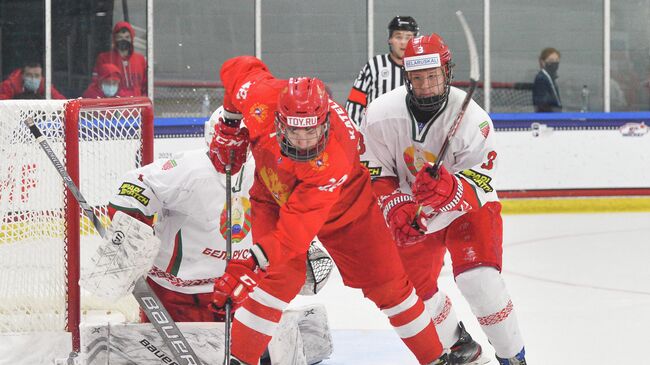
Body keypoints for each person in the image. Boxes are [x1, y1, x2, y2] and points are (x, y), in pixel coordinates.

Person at [209, 55, 449, 365]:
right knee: (280, 278)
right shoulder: (260, 100)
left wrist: (250, 263)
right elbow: (237, 67)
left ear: (325, 123)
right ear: (278, 119)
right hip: (273, 195)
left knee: (389, 283)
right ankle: (239, 359)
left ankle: (435, 359)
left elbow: (294, 234)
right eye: (294, 132)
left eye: (311, 132)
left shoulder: (333, 158)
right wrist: (228, 123)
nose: (304, 141)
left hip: (346, 209)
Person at [104, 106, 333, 364]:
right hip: (175, 296)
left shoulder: (269, 171)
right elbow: (135, 184)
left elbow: (295, 215)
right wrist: (131, 232)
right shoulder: (190, 168)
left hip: (238, 291)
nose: (235, 150)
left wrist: (300, 248)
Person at [360, 34, 527, 365]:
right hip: (414, 211)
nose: (425, 86)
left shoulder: (473, 119)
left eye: (433, 76)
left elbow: (483, 179)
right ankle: (459, 344)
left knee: (478, 281)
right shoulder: (379, 114)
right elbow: (375, 173)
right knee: (405, 289)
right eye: (418, 78)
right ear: (407, 77)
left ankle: (513, 357)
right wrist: (394, 205)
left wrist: (451, 190)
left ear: (447, 72)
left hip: (467, 210)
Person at [345, 15, 419, 125]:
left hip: (411, 138)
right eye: (398, 37)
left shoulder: (421, 68)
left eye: (408, 37)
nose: (403, 42)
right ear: (390, 39)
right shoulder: (374, 65)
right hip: (375, 135)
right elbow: (355, 103)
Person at [92, 21, 147, 97]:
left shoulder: (141, 60)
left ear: (132, 39)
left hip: (136, 105)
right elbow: (96, 84)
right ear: (115, 39)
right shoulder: (104, 58)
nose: (123, 40)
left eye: (127, 37)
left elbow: (146, 86)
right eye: (120, 37)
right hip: (115, 105)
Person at [0, 61, 66, 100]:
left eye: (36, 75)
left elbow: (60, 101)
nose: (33, 78)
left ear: (41, 77)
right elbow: (3, 105)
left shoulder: (44, 84)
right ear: (22, 75)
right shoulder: (9, 85)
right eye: (29, 75)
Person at [532, 47, 562, 112]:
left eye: (557, 60)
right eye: (551, 60)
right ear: (543, 62)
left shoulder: (551, 78)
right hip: (547, 117)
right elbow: (542, 103)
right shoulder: (541, 78)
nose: (555, 63)